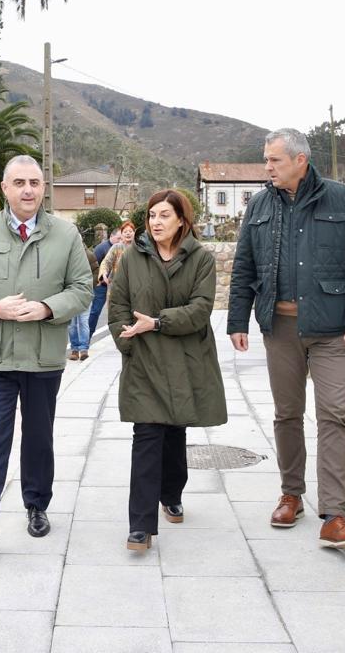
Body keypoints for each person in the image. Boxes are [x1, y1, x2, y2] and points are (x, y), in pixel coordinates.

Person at [227, 128, 345, 552]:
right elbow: (244, 268)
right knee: (287, 414)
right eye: (266, 160)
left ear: (300, 160)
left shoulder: (344, 199)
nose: (267, 167)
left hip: (333, 331)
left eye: (274, 160)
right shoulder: (258, 205)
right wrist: (238, 320)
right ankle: (291, 495)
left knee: (333, 415)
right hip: (281, 328)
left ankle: (335, 516)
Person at [0, 155, 93, 557]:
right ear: (6, 189)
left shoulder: (66, 234)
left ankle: (36, 505)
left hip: (43, 357)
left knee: (38, 437)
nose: (28, 189)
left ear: (43, 188)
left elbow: (83, 288)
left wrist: (47, 307)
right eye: (20, 183)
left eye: (35, 182)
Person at [109, 190, 226, 550]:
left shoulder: (201, 259)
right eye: (151, 216)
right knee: (146, 436)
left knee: (174, 432)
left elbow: (201, 309)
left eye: (163, 215)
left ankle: (171, 493)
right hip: (144, 359)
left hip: (185, 359)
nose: (155, 222)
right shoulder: (131, 257)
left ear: (181, 220)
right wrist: (128, 343)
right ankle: (140, 526)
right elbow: (118, 306)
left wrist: (158, 322)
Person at [67, 246, 99, 360]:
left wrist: (91, 285)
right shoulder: (66, 253)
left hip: (85, 292)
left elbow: (96, 270)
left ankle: (84, 349)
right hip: (70, 293)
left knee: (83, 321)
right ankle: (74, 349)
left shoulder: (89, 254)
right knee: (72, 324)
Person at [86, 226, 120, 334]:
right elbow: (94, 266)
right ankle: (88, 336)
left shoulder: (122, 248)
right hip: (101, 286)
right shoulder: (102, 248)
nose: (120, 241)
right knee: (95, 311)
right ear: (111, 236)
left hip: (116, 286)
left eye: (121, 238)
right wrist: (100, 279)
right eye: (118, 238)